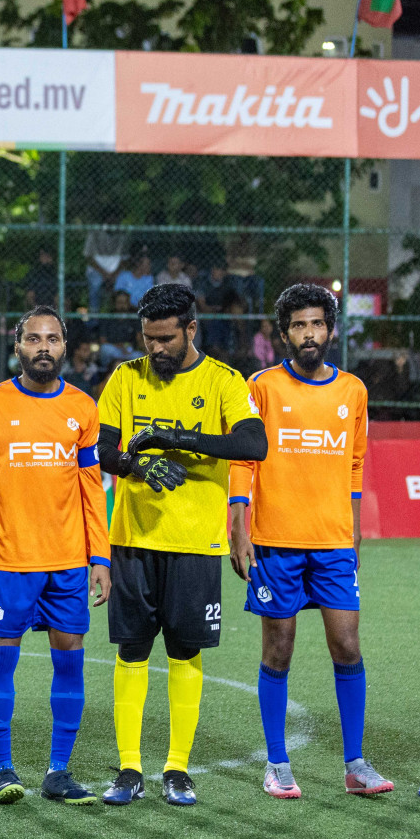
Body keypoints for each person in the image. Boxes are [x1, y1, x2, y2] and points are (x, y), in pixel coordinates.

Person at [95, 283, 266, 807]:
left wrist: (180, 439)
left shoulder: (223, 381)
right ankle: (129, 769)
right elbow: (102, 451)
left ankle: (177, 768)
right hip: (134, 538)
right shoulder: (126, 377)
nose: (156, 349)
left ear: (191, 329)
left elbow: (252, 443)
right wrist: (135, 463)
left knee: (184, 649)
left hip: (196, 542)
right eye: (148, 338)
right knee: (132, 648)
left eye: (166, 339)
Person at [228, 284, 389, 801]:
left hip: (334, 543)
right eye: (298, 325)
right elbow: (243, 459)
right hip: (276, 543)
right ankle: (277, 763)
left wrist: (356, 526)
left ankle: (355, 764)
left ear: (332, 330)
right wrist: (239, 525)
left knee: (347, 645)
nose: (309, 333)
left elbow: (357, 464)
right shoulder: (262, 388)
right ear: (282, 334)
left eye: (317, 323)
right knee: (279, 650)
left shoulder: (354, 392)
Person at [0, 306, 110, 805]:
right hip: (7, 562)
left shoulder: (84, 409)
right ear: (17, 346)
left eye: (53, 339)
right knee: (3, 662)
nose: (44, 347)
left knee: (70, 664)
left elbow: (92, 491)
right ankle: (4, 769)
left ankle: (58, 772)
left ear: (65, 347)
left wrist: (100, 558)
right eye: (34, 339)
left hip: (67, 562)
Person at [83, 224, 127, 312]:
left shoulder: (123, 236)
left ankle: (120, 317)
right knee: (95, 284)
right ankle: (94, 319)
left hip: (116, 272)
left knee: (124, 281)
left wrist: (114, 274)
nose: (112, 221)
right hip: (97, 271)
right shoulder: (94, 234)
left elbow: (125, 260)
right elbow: (89, 258)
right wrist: (104, 274)